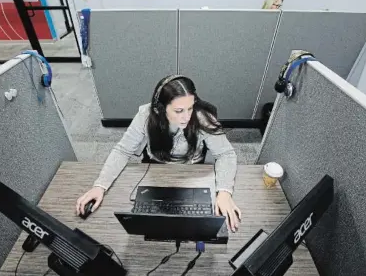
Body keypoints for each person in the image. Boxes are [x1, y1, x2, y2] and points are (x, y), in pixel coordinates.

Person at [76, 75, 242, 232]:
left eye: (190, 108)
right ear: (160, 109)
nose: (186, 117)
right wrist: (100, 186)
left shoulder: (201, 116)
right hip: (155, 167)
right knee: (147, 222)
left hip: (191, 171)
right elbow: (123, 150)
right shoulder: (146, 115)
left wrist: (225, 192)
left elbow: (226, 154)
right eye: (179, 111)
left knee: (193, 223)